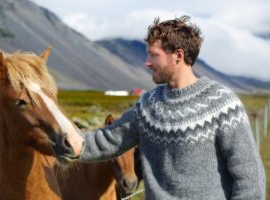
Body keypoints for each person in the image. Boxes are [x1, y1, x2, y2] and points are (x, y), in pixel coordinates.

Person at [67, 15, 266, 199]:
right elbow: (107, 140)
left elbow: (249, 175)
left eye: (153, 55)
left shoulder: (223, 104)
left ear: (178, 55)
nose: (146, 63)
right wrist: (58, 136)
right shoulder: (147, 106)